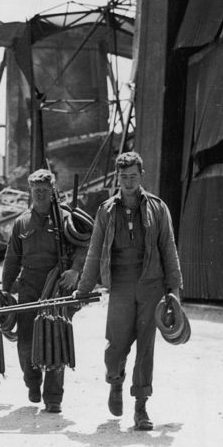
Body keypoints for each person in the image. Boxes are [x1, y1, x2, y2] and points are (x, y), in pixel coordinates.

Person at [74, 151, 182, 430]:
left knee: (146, 348)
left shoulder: (158, 208)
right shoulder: (106, 210)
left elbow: (169, 249)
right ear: (117, 178)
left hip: (151, 287)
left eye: (134, 176)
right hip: (120, 287)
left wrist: (175, 291)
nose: (130, 181)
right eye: (124, 177)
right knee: (116, 347)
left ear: (141, 176)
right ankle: (115, 381)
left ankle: (141, 407)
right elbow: (95, 251)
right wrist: (83, 288)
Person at [1, 169, 86, 414]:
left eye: (45, 190)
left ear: (52, 191)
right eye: (36, 190)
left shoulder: (65, 219)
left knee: (56, 339)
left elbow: (83, 244)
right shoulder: (22, 222)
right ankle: (32, 381)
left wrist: (75, 271)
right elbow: (11, 260)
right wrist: (6, 291)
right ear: (30, 191)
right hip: (28, 287)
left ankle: (54, 397)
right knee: (26, 341)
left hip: (57, 287)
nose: (40, 194)